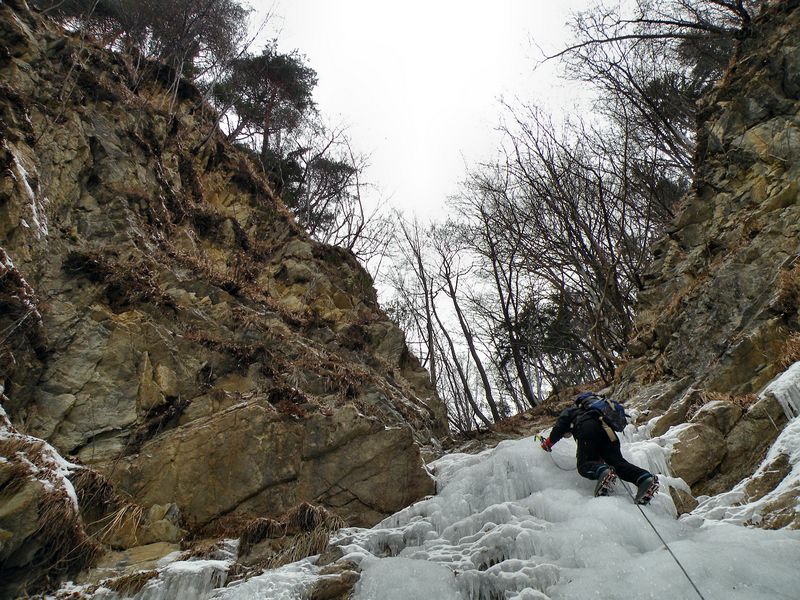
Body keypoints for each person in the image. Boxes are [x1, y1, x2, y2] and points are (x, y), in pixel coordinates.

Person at [539, 392, 659, 504]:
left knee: (584, 465)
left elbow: (560, 426)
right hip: (608, 432)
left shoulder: (573, 411)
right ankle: (644, 479)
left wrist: (548, 443)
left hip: (586, 428)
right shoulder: (600, 413)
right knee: (618, 464)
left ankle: (604, 473)